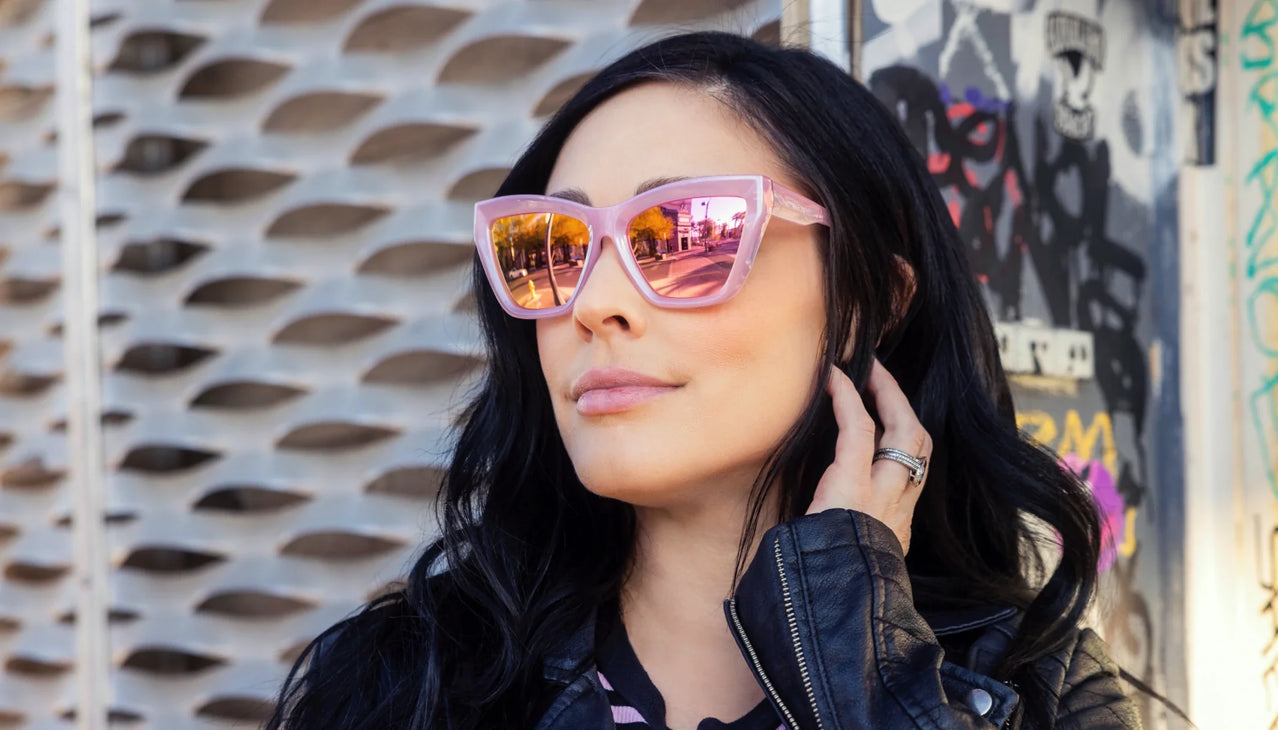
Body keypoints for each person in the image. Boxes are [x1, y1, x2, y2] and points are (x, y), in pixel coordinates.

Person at [265, 30, 1143, 730]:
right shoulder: (400, 684)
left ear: (864, 302)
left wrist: (853, 655)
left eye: (686, 235)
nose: (594, 304)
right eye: (553, 249)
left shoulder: (1034, 687)